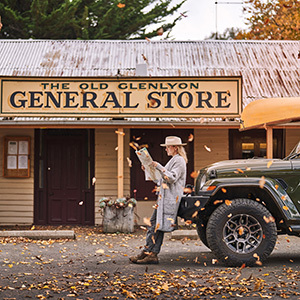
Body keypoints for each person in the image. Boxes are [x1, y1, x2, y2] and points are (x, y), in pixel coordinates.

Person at [129, 136, 187, 264]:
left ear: (175, 148)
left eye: (167, 147)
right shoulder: (173, 160)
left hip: (170, 199)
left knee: (154, 226)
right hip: (164, 199)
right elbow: (161, 180)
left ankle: (150, 253)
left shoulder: (179, 161)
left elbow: (171, 178)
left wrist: (159, 166)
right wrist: (149, 170)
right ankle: (149, 253)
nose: (166, 149)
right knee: (155, 226)